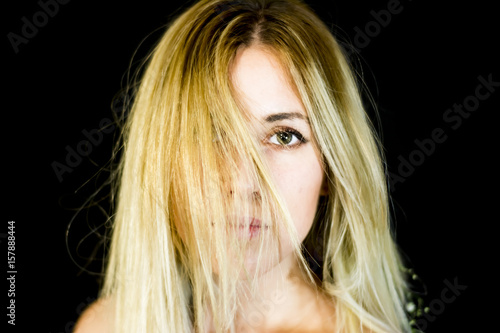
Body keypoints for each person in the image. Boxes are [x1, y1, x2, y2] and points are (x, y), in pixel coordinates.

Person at [74, 0, 414, 332]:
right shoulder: (109, 326)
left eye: (284, 137)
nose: (242, 181)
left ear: (331, 168)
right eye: (208, 133)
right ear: (160, 159)